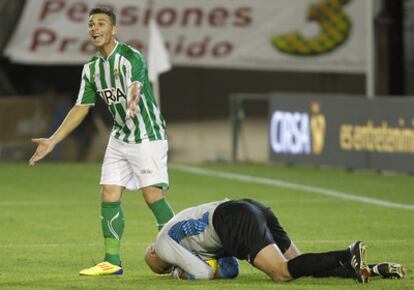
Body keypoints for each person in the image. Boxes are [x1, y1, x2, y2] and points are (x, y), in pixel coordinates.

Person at [29, 7, 175, 276]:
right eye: (91, 24)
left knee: (152, 195)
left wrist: (132, 101)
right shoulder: (92, 68)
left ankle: (181, 253)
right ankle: (112, 261)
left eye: (101, 23)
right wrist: (53, 140)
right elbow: (81, 107)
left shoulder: (131, 57)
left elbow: (136, 85)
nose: (95, 28)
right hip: (120, 135)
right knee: (108, 192)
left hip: (147, 133)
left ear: (114, 29)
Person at [144, 199, 406, 283]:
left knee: (281, 274)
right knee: (297, 264)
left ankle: (346, 253)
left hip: (232, 219)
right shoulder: (183, 238)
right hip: (249, 206)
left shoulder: (165, 243)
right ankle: (364, 268)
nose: (165, 265)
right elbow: (231, 269)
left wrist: (179, 274)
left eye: (161, 265)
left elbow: (201, 272)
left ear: (156, 253)